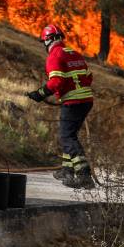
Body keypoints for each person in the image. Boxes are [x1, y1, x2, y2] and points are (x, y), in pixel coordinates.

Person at [26, 25, 95, 189]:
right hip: (86, 100)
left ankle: (84, 174)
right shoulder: (74, 53)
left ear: (49, 40)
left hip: (73, 102)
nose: (44, 45)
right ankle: (67, 170)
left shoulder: (54, 56)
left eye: (44, 41)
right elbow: (89, 77)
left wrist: (39, 94)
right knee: (70, 134)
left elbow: (56, 82)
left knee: (66, 137)